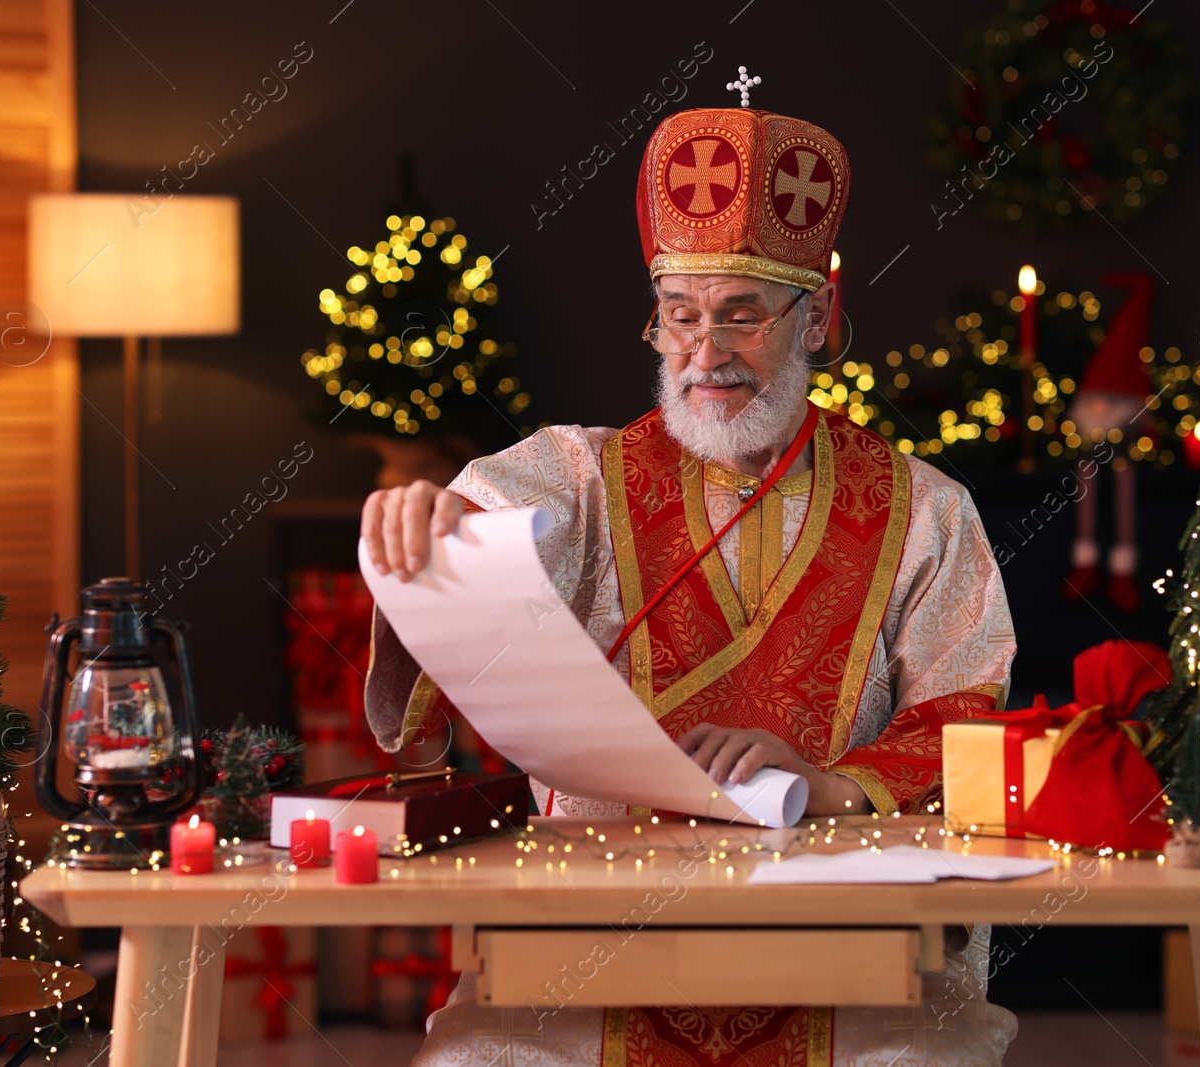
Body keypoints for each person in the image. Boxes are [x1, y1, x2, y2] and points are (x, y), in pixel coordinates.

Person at [361, 102, 1019, 1066]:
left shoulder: (927, 508)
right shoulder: (579, 474)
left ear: (821, 319)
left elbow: (971, 728)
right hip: (588, 944)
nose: (704, 352)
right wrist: (447, 533)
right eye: (681, 313)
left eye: (743, 314)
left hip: (847, 942)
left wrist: (827, 783)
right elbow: (493, 518)